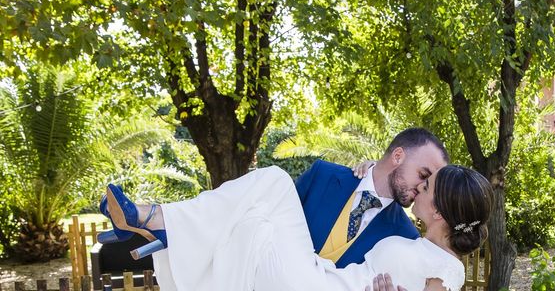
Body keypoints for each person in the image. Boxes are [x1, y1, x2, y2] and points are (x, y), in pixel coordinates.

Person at [99, 163, 493, 291]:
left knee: (273, 181)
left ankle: (156, 220)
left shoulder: (448, 271)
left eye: (425, 187)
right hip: (315, 275)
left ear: (440, 212)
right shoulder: (409, 236)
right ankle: (167, 229)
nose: (416, 190)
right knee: (253, 224)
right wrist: (366, 173)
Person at [295, 127, 450, 267]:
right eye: (423, 175)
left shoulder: (406, 236)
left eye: (430, 184)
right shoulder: (322, 175)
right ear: (397, 156)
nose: (422, 187)